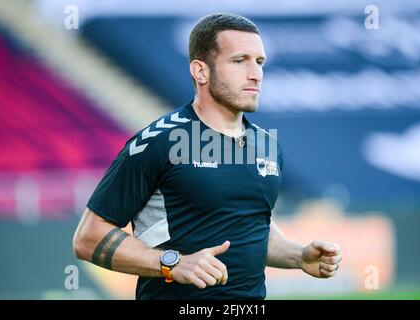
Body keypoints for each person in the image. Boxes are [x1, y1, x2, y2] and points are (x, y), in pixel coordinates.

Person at [73, 12, 342, 300]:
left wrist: (298, 256)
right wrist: (171, 263)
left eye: (259, 62)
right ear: (201, 71)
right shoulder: (160, 141)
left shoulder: (265, 144)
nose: (256, 74)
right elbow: (88, 238)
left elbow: (250, 228)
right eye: (240, 61)